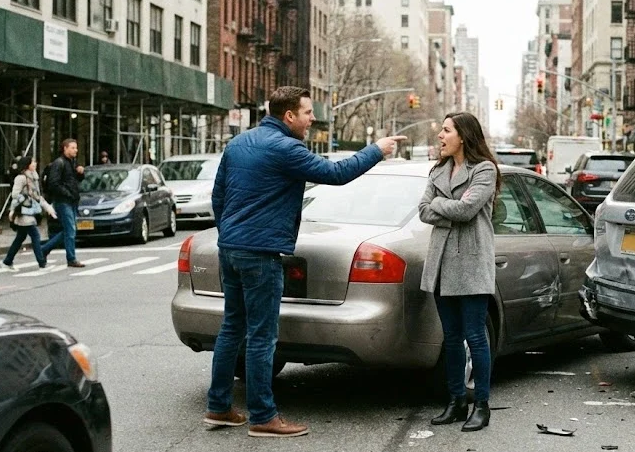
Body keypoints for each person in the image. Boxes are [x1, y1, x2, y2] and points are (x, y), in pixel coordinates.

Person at [204, 86, 406, 438]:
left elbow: (218, 195)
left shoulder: (239, 143)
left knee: (232, 328)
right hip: (260, 253)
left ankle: (219, 407)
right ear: (290, 116)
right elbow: (337, 174)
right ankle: (263, 417)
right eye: (308, 112)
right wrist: (377, 149)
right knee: (261, 337)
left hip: (231, 248)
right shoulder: (287, 148)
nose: (313, 118)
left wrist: (230, 233)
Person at [418, 112, 500, 432]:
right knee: (451, 338)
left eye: (446, 130)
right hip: (441, 263)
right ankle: (455, 401)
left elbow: (467, 210)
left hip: (471, 263)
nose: (440, 135)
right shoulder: (438, 170)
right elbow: (423, 210)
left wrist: (442, 205)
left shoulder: (483, 170)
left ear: (463, 136)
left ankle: (481, 405)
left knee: (475, 336)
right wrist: (446, 206)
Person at [3, 156, 58, 270]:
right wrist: (14, 208)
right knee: (35, 235)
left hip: (31, 211)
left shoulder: (34, 178)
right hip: (23, 212)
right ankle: (41, 262)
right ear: (27, 164)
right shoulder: (21, 178)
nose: (35, 163)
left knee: (20, 238)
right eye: (33, 162)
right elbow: (15, 195)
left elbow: (38, 197)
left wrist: (49, 208)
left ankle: (7, 261)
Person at [40, 139, 86, 268]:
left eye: (76, 148)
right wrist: (67, 193)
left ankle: (44, 249)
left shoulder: (72, 163)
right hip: (62, 201)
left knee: (69, 230)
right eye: (72, 148)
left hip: (71, 200)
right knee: (70, 229)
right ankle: (71, 258)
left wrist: (80, 173)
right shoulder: (59, 163)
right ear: (65, 148)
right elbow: (54, 183)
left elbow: (75, 180)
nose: (75, 150)